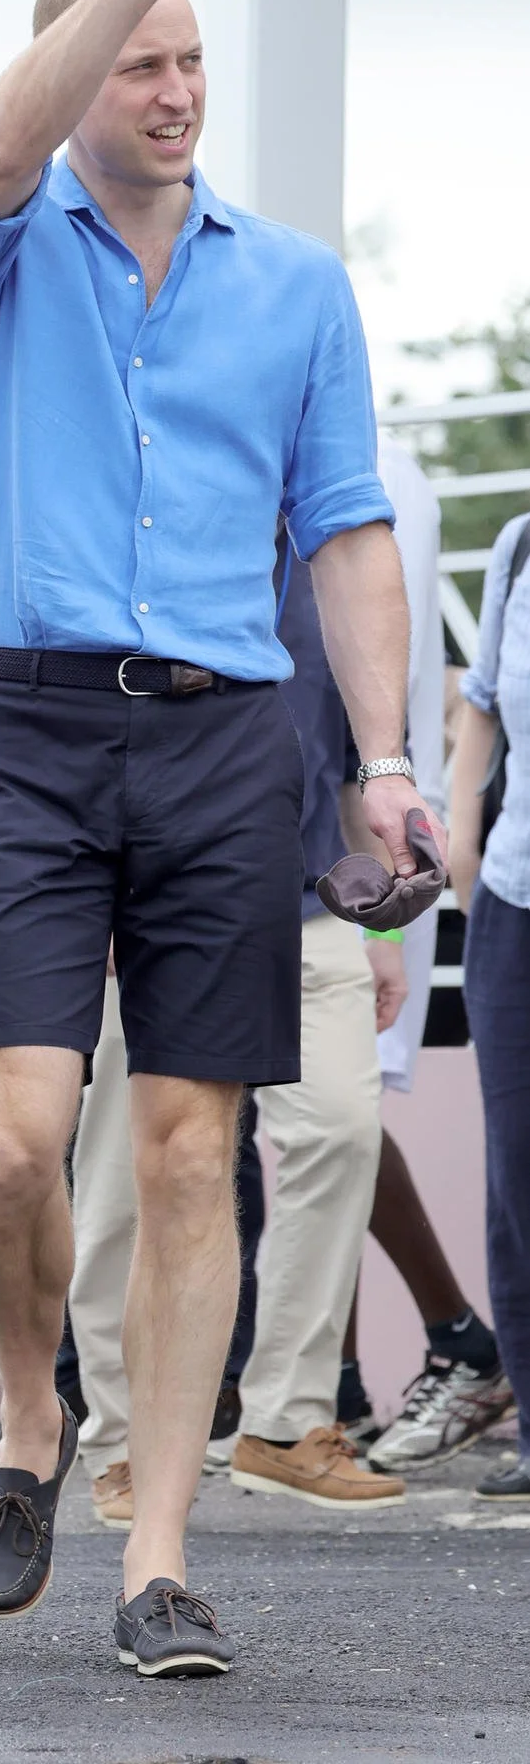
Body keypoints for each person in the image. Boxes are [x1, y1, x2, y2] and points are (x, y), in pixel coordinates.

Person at [0, 0, 442, 1678]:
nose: (171, 86)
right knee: (4, 1152)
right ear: (74, 77)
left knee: (192, 1144)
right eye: (136, 59)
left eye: (189, 62)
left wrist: (382, 760)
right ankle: (31, 1418)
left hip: (230, 745)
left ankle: (153, 1552)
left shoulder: (294, 284)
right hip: (40, 732)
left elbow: (351, 529)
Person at [69, 544, 409, 1524]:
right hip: (144, 904)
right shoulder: (131, 543)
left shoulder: (327, 566)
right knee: (124, 1177)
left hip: (309, 901)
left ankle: (284, 1419)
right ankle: (119, 1439)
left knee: (340, 1131)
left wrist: (381, 926)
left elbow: (354, 758)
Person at [340, 443, 511, 1470]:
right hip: (254, 820)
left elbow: (388, 691)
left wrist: (376, 890)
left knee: (324, 1110)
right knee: (288, 1115)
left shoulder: (369, 468)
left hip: (336, 836)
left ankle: (448, 1338)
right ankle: (336, 1381)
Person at [448, 508, 530, 1499]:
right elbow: (480, 704)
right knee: (516, 1169)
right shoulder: (517, 543)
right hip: (512, 894)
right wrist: (461, 828)